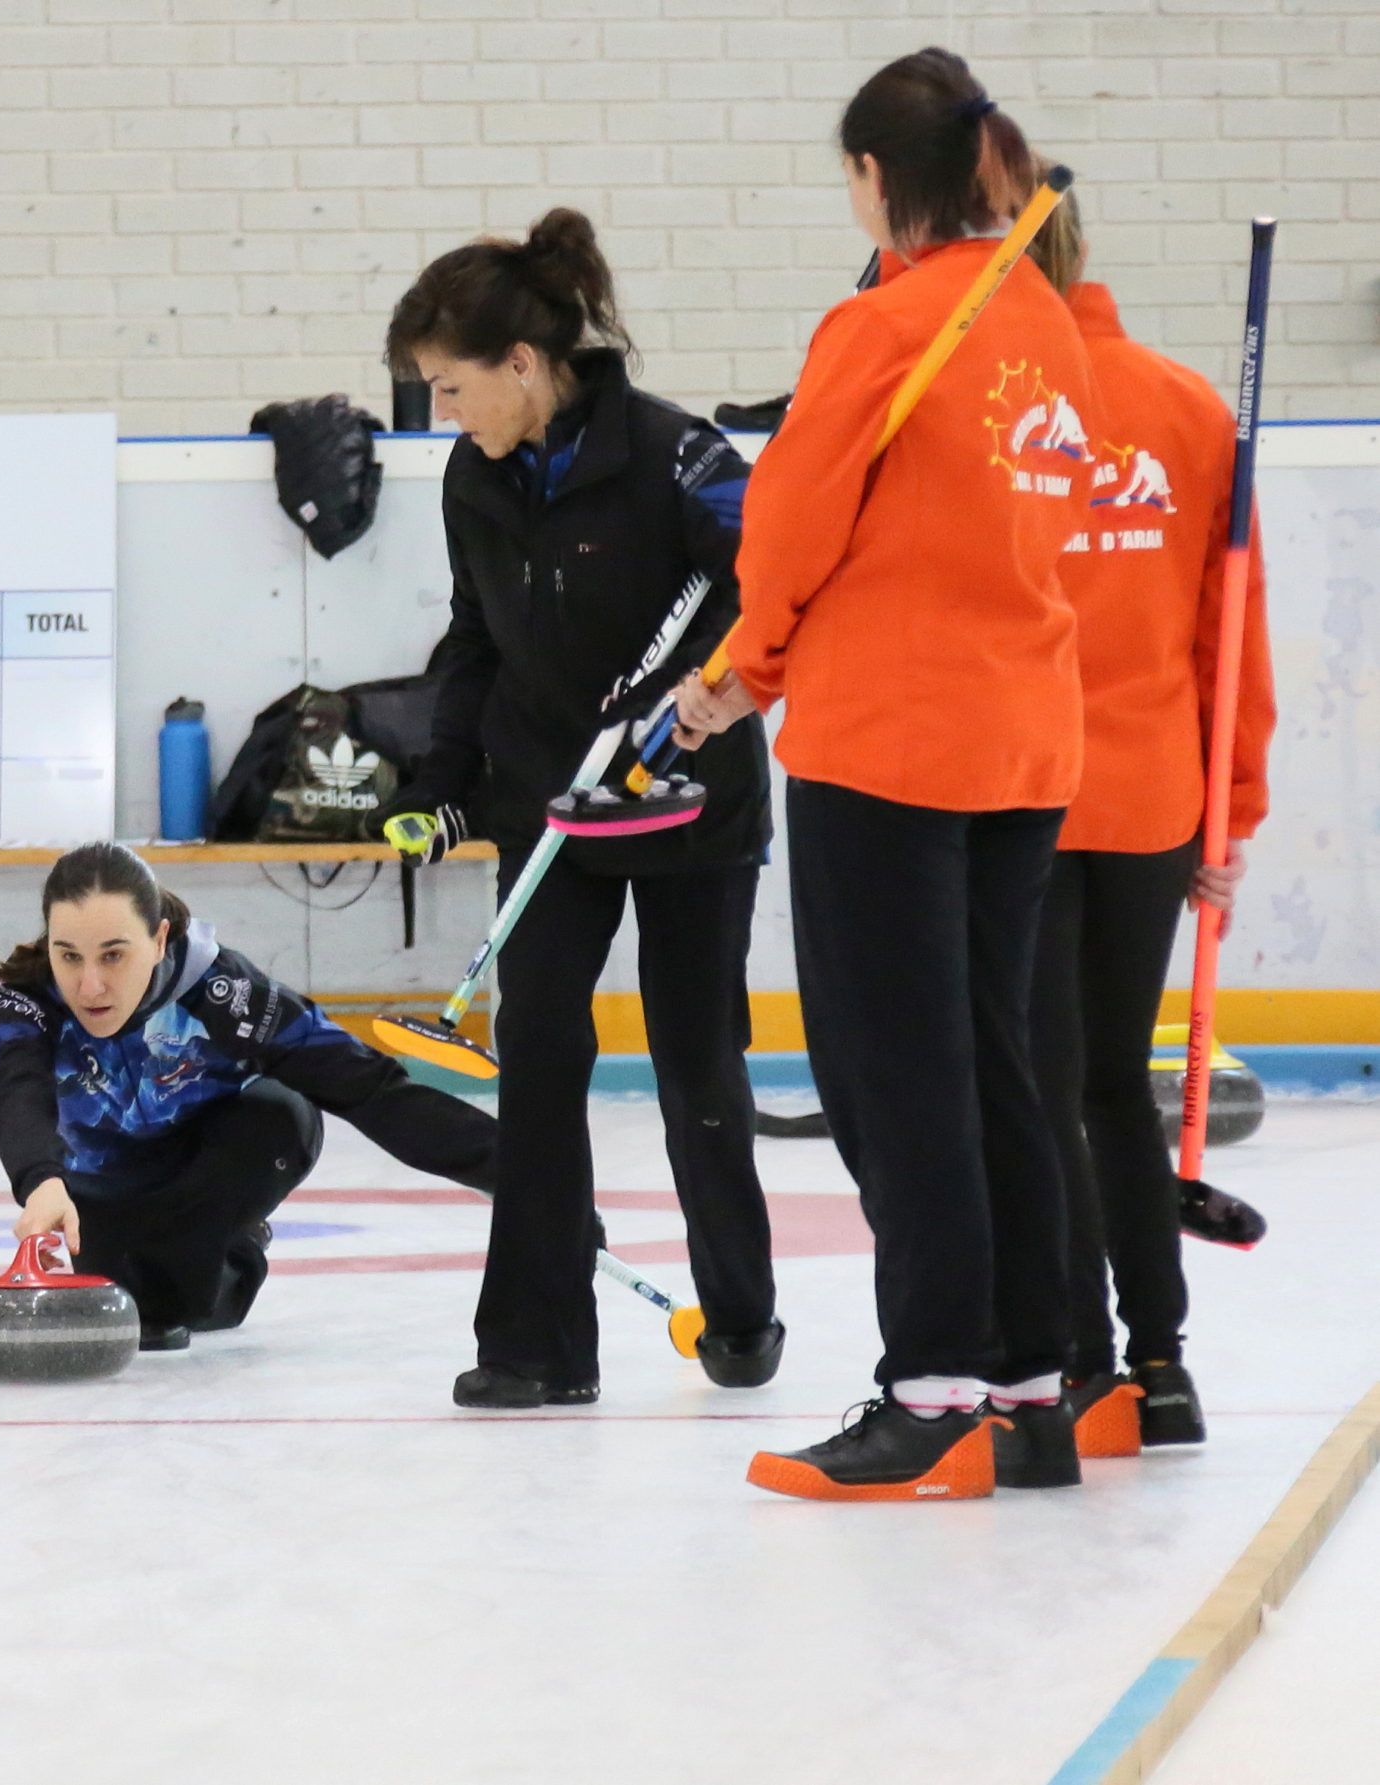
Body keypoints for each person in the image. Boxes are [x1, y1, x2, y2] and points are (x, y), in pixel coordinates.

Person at [675, 51, 1096, 1499]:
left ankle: (929, 1395)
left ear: (872, 179)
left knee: (896, 1080)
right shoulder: (1045, 319)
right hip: (1024, 744)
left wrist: (743, 676)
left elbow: (787, 531)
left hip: (889, 749)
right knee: (996, 1066)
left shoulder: (882, 325)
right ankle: (1036, 1388)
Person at [379, 207, 782, 1409]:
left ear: (520, 364)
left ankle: (743, 1317)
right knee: (540, 1062)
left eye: (451, 389)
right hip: (547, 806)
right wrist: (442, 781)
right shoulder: (475, 476)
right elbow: (474, 634)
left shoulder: (675, 456)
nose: (444, 418)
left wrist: (688, 700)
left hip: (685, 805)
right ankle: (535, 1345)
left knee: (695, 1066)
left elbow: (763, 590)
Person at [1021, 182, 1276, 1453]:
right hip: (1153, 799)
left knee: (1041, 1081)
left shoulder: (1005, 415)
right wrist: (1227, 808)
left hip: (1016, 793)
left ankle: (1076, 1359)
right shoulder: (1189, 410)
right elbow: (1231, 633)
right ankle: (1159, 1362)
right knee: (1110, 1082)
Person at [0, 843, 498, 1353]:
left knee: (268, 1130)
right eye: (69, 956)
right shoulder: (20, 1002)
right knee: (145, 1314)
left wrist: (527, 1183)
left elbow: (368, 1087)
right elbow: (13, 1089)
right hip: (102, 1181)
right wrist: (41, 1179)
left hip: (216, 1161)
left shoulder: (227, 994)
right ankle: (217, 1248)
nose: (90, 986)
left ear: (159, 940)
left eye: (114, 955)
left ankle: (234, 1238)